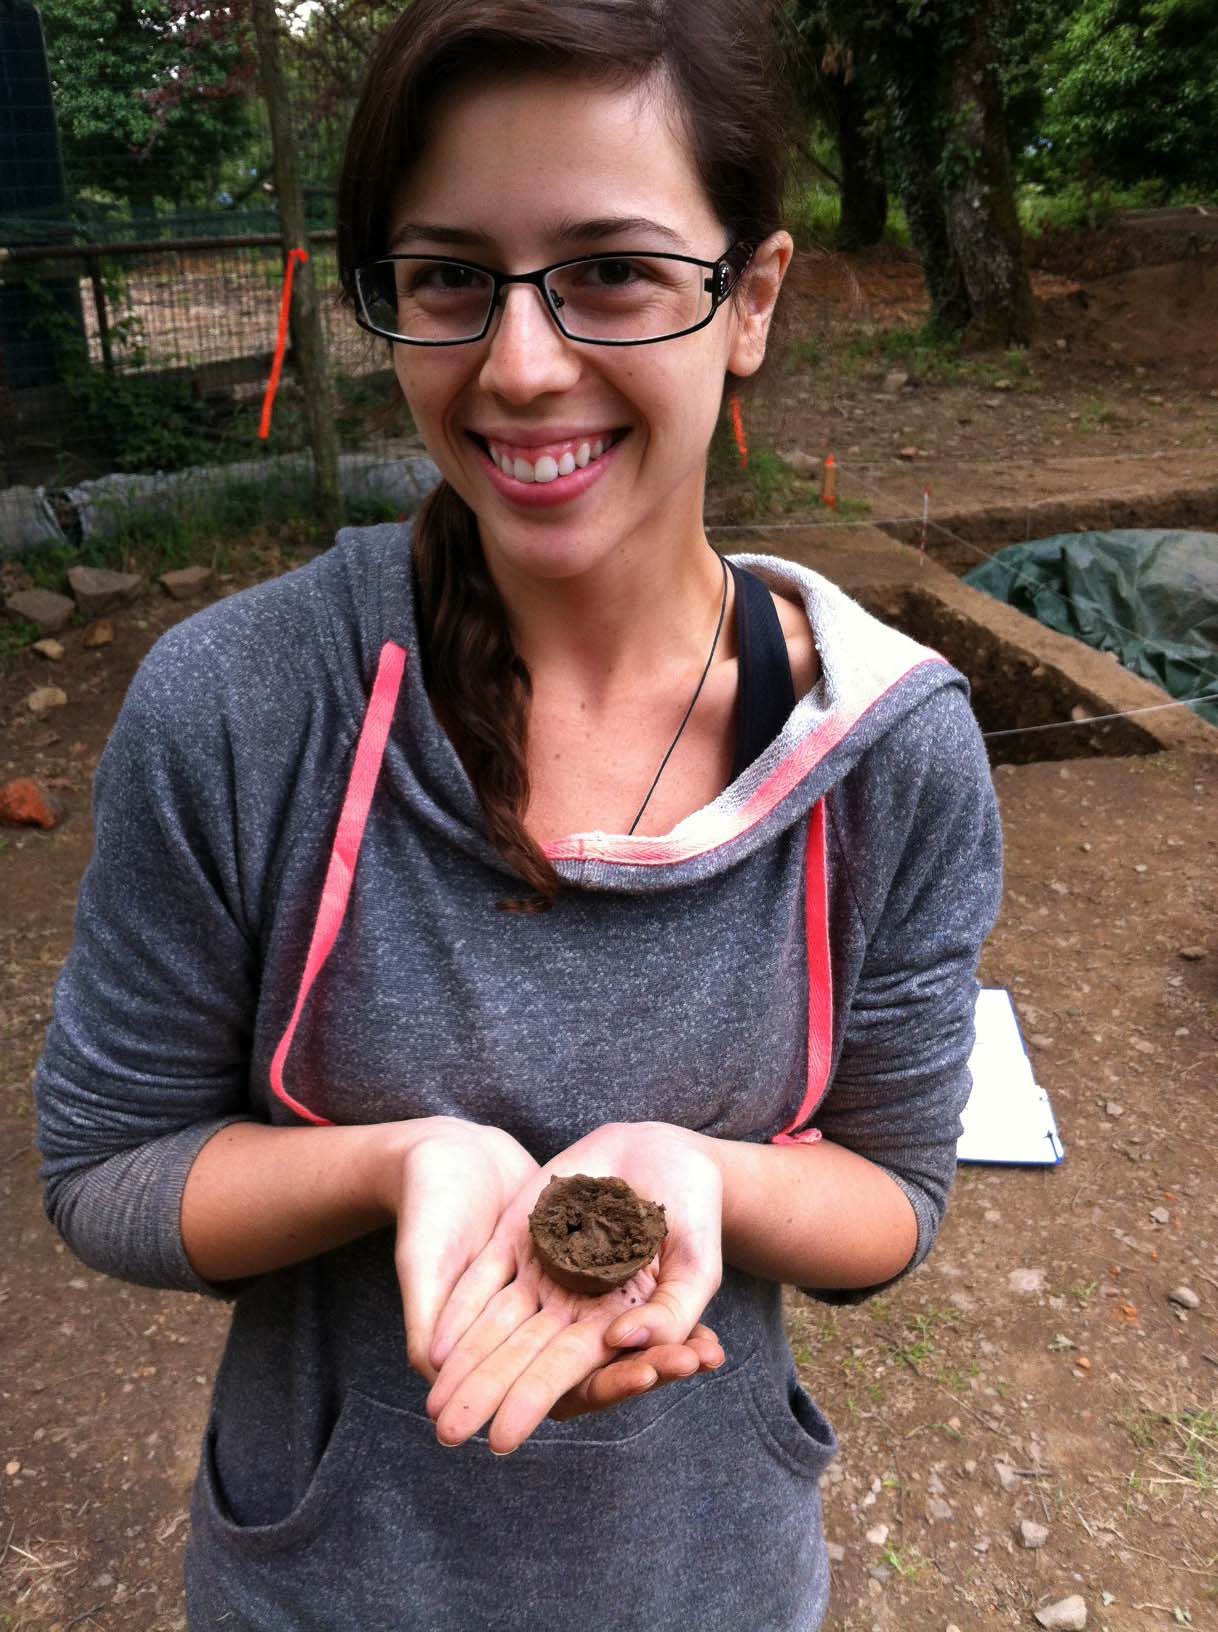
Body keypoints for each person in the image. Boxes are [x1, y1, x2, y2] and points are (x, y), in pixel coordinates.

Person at [33, 1, 1004, 1627]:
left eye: (612, 271)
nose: (521, 364)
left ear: (748, 298)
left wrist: (704, 1175)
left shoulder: (888, 753)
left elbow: (892, 1200)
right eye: (448, 280)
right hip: (323, 1586)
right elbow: (107, 1164)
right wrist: (396, 1164)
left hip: (708, 1582)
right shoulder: (238, 708)